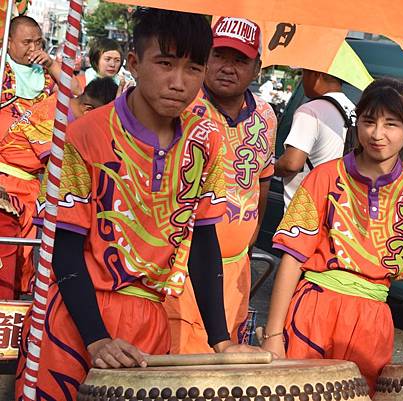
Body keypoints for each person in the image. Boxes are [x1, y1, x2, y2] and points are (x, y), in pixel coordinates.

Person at [15, 8, 256, 400]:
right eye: (165, 64)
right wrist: (95, 338)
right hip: (76, 320)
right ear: (134, 63)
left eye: (193, 68)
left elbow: (204, 243)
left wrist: (221, 341)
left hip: (150, 322)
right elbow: (65, 246)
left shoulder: (207, 143)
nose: (179, 82)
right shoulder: (83, 135)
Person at [262, 78, 403, 395]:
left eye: (391, 124)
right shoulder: (324, 176)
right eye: (369, 120)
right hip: (313, 309)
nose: (376, 134)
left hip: (373, 320)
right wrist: (273, 335)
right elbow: (293, 257)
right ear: (357, 120)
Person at [165, 16, 277, 353]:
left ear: (257, 67)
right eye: (219, 56)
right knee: (177, 371)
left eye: (240, 59)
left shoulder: (267, 117)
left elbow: (263, 182)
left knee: (222, 371)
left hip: (235, 270)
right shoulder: (180, 107)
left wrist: (247, 241)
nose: (228, 67)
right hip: (181, 267)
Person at [0, 77, 119, 300]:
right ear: (88, 109)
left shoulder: (63, 108)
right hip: (12, 185)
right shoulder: (51, 114)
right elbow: (58, 163)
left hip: (26, 183)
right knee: (14, 260)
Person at [274, 69, 355, 209]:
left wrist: (267, 169)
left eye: (304, 73)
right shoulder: (353, 109)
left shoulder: (310, 110)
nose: (302, 79)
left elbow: (291, 164)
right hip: (335, 205)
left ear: (317, 74)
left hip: (303, 212)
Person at [0, 16, 64, 135]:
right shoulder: (2, 66)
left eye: (38, 42)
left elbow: (74, 90)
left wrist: (51, 64)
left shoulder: (45, 71)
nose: (33, 48)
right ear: (9, 42)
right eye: (26, 42)